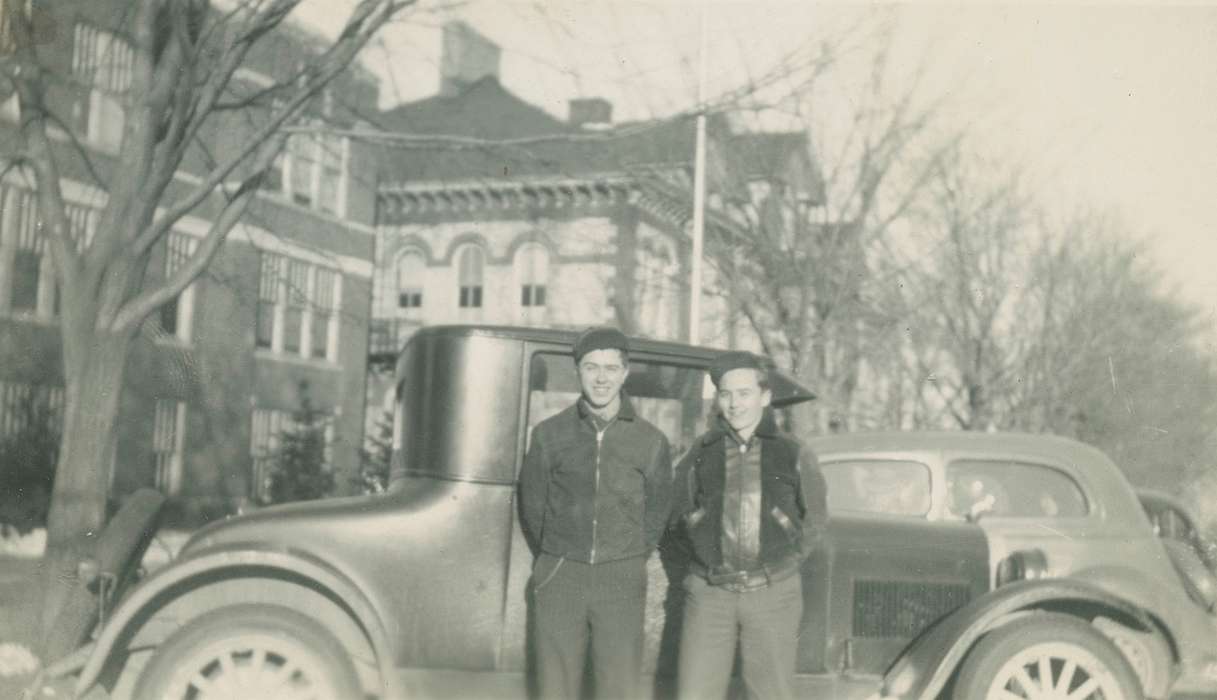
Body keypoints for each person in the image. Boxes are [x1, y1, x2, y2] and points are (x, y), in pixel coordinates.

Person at [518, 326, 673, 699]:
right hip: (560, 573)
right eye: (591, 367)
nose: (601, 377)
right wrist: (557, 554)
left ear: (624, 372)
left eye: (609, 367)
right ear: (578, 372)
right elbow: (533, 505)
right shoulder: (548, 434)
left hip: (620, 576)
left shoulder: (650, 440)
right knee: (555, 687)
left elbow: (658, 510)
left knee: (616, 686)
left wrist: (629, 556)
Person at [673, 351, 828, 700]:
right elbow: (678, 512)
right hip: (710, 595)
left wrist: (782, 566)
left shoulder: (792, 452)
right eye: (726, 394)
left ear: (765, 397)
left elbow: (815, 519)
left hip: (772, 595)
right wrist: (702, 557)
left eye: (744, 393)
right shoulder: (701, 450)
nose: (734, 403)